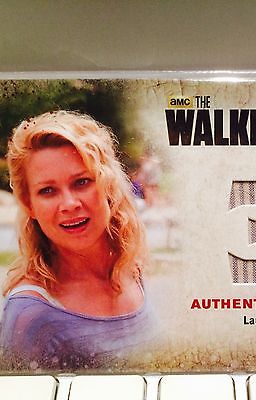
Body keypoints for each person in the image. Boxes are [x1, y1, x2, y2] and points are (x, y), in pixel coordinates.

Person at [0, 110, 151, 371]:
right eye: (48, 190)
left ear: (108, 186)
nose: (69, 204)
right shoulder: (30, 316)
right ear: (29, 205)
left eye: (82, 182)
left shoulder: (132, 269)